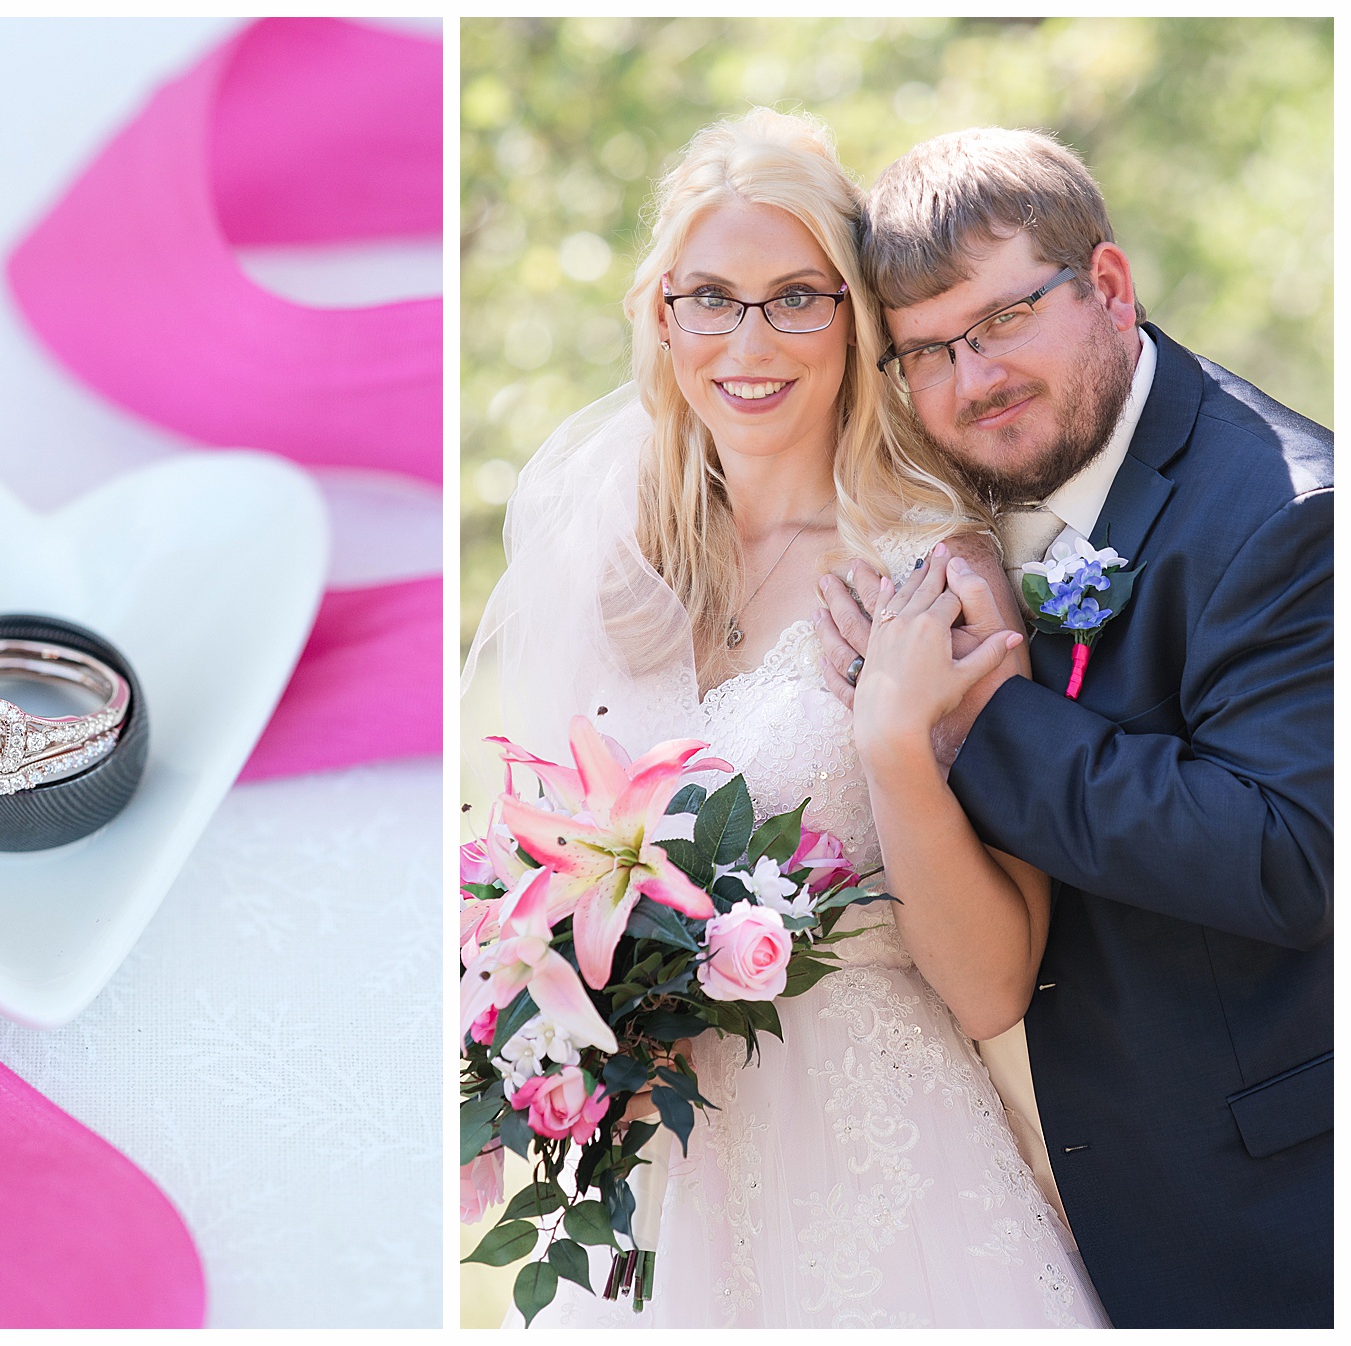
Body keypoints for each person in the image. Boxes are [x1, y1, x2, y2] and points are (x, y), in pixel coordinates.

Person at [465, 108, 1108, 1328]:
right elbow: (545, 880)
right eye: (711, 295)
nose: (748, 340)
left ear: (854, 321)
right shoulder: (609, 561)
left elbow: (996, 985)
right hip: (666, 1177)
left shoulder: (934, 575)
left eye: (797, 296)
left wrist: (888, 746)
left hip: (886, 1170)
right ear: (663, 318)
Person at [814, 126, 1331, 1329]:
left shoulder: (1288, 518)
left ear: (1107, 284)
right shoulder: (982, 511)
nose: (972, 378)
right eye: (928, 351)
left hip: (1268, 1223)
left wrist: (979, 713)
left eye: (1002, 321)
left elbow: (1287, 855)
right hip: (1012, 1210)